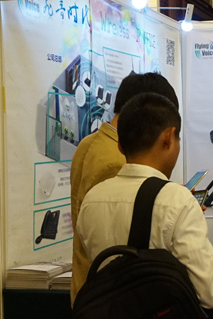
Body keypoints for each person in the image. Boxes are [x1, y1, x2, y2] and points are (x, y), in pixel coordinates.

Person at [77, 92, 213, 308]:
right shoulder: (178, 201)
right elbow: (212, 294)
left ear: (120, 145)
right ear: (169, 137)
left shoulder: (92, 199)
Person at [69, 72, 179, 303]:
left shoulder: (89, 143)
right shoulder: (118, 160)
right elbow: (119, 233)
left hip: (90, 292)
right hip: (112, 299)